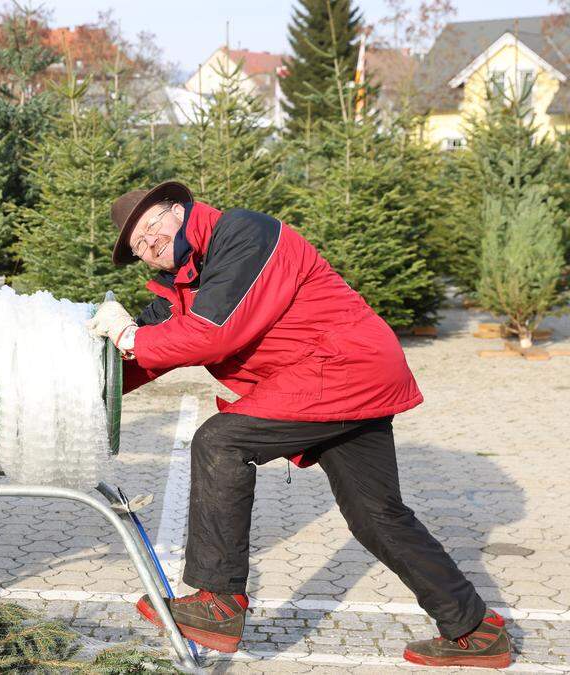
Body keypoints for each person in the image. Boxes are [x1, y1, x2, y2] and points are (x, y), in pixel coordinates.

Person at [85, 181, 512, 668]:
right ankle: (476, 630)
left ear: (178, 209)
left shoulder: (243, 234)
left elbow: (211, 333)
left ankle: (218, 601)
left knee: (220, 442)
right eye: (138, 245)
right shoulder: (179, 283)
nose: (150, 244)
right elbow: (140, 358)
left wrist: (129, 335)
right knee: (376, 516)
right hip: (334, 378)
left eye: (152, 226)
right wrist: (75, 386)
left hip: (341, 367)